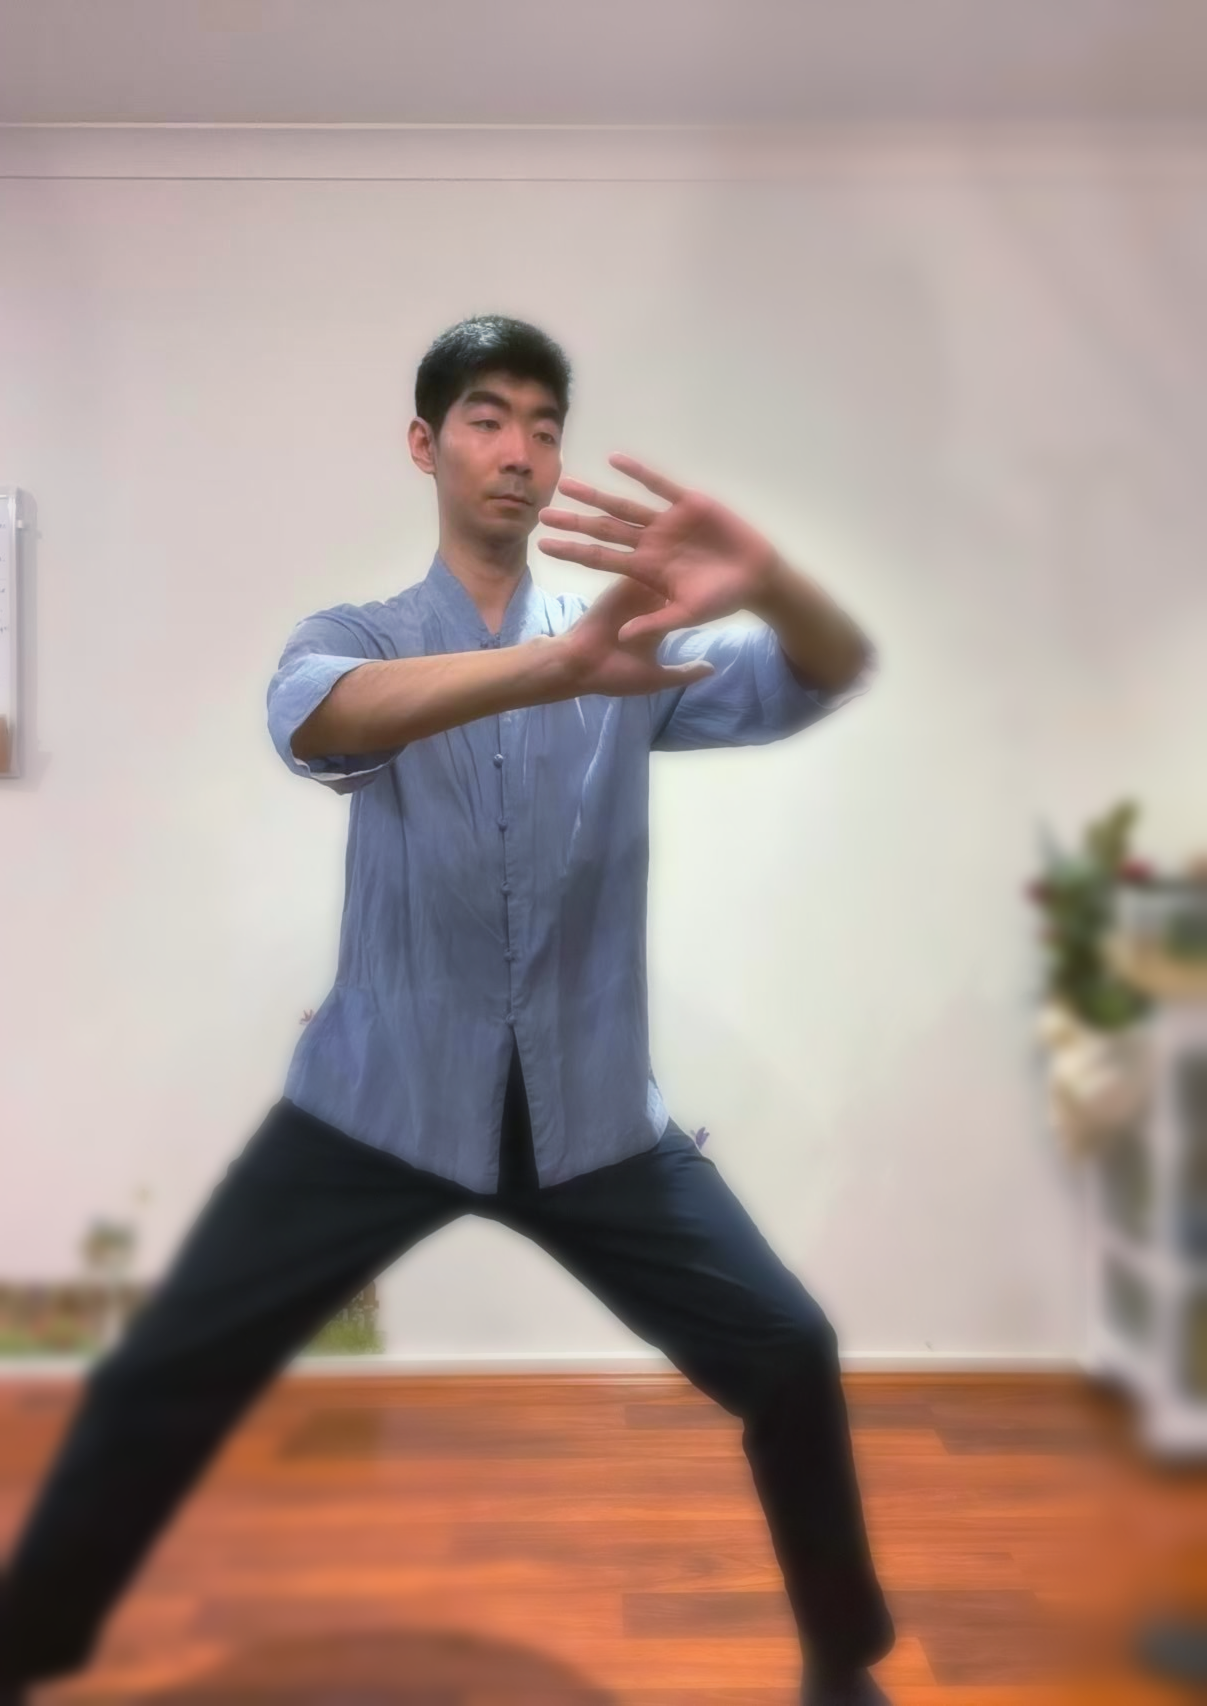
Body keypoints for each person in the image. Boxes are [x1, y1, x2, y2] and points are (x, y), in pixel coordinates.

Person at [0, 314, 893, 1706]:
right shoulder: (362, 635)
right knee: (160, 1374)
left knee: (788, 1349)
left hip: (594, 1116)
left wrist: (772, 583)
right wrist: (554, 670)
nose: (520, 451)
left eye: (544, 423)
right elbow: (321, 720)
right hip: (379, 1106)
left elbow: (824, 670)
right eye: (487, 417)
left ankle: (844, 1666)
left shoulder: (629, 647)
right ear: (425, 444)